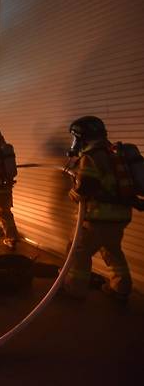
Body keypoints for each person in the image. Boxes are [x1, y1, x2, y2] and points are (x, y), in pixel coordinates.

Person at [63, 116, 133, 301]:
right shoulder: (115, 153)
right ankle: (121, 288)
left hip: (97, 217)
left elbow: (85, 188)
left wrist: (72, 193)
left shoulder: (91, 157)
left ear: (82, 137)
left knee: (78, 252)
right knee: (112, 250)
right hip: (120, 216)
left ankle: (74, 291)